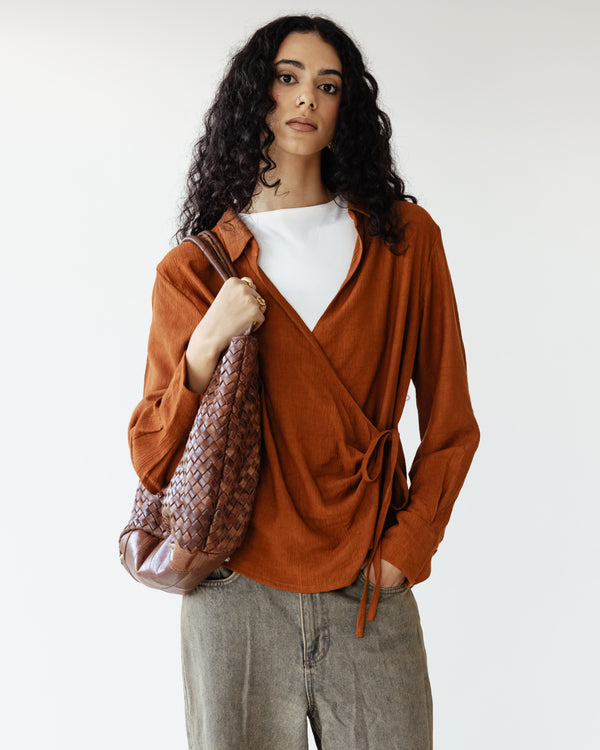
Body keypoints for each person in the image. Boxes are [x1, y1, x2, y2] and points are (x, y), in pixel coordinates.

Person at [128, 14, 480, 750]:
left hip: (369, 590)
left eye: (328, 85)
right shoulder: (193, 272)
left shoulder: (405, 243)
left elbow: (451, 424)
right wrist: (208, 339)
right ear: (254, 95)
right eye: (287, 77)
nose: (306, 98)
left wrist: (406, 550)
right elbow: (154, 457)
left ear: (347, 106)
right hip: (234, 593)